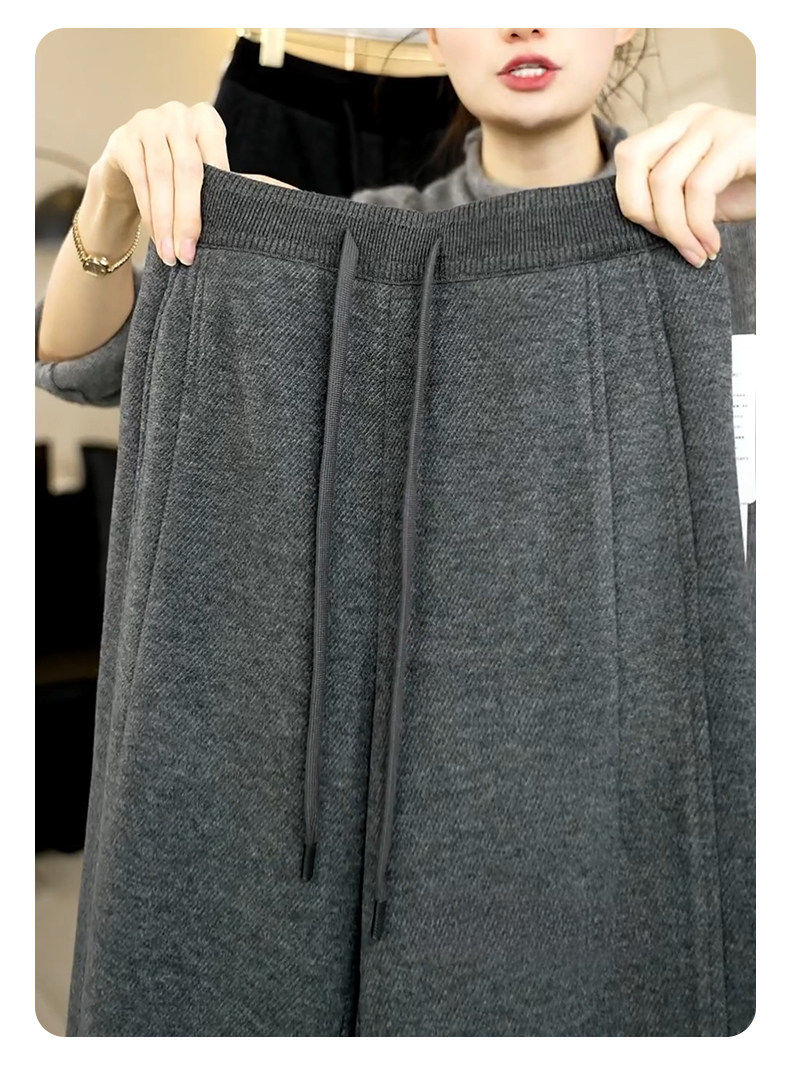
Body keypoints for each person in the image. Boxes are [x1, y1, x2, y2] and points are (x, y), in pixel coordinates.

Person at [35, 27, 756, 404]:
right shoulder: (365, 246)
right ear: (435, 34)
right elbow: (88, 367)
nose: (523, 23)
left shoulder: (727, 212)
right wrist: (110, 200)